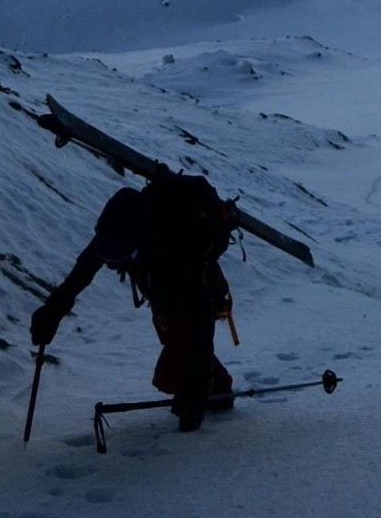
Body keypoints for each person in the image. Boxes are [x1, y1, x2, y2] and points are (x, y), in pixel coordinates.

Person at [30, 173, 237, 432]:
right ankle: (215, 386)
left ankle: (212, 389)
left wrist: (195, 394)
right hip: (164, 298)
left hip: (191, 296)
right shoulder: (117, 229)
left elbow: (202, 317)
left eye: (118, 257)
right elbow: (83, 270)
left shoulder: (173, 245)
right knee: (180, 348)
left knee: (169, 375)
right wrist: (53, 311)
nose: (112, 262)